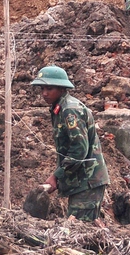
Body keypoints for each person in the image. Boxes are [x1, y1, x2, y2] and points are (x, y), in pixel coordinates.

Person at [31, 66, 109, 222]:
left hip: (88, 182)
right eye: (42, 89)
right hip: (81, 181)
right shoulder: (60, 108)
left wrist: (56, 175)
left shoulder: (70, 110)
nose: (44, 93)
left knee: (79, 230)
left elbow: (79, 149)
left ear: (61, 89)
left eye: (49, 88)